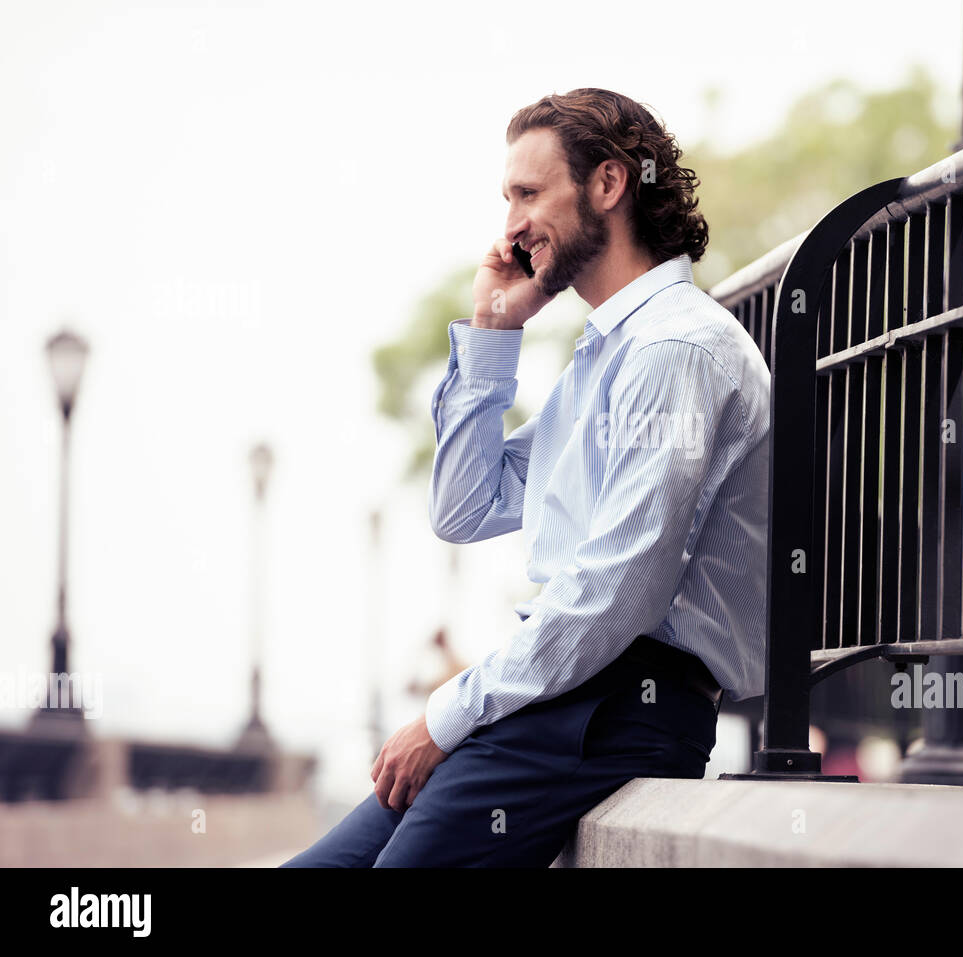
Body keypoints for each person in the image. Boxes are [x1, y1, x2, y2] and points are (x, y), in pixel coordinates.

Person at [282, 88, 770, 867]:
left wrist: (446, 714)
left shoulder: (675, 348)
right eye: (508, 198)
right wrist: (493, 333)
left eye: (528, 194)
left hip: (619, 707)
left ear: (609, 185)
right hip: (558, 695)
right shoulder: (608, 356)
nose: (510, 224)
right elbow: (465, 507)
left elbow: (621, 589)